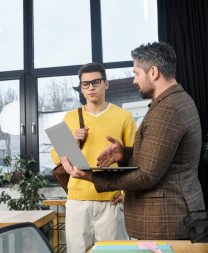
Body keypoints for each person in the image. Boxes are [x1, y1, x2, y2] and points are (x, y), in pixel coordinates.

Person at [60, 42, 205, 240]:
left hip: (163, 214)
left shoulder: (164, 109)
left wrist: (93, 177)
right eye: (85, 84)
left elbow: (146, 174)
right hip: (80, 198)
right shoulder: (172, 102)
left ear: (153, 72)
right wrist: (125, 153)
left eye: (136, 73)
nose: (134, 80)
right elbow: (155, 154)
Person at [50, 62, 137, 252]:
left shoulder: (124, 117)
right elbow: (56, 157)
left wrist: (125, 194)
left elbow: (135, 159)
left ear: (106, 84)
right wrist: (72, 140)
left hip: (111, 200)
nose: (90, 88)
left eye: (96, 82)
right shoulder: (71, 117)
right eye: (85, 84)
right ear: (81, 88)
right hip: (77, 201)